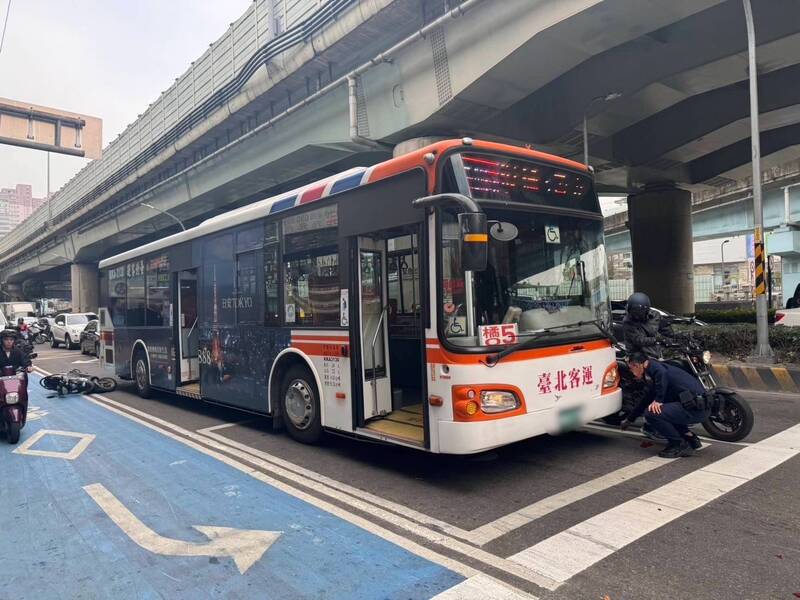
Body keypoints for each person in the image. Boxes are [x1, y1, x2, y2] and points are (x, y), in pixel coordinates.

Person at [622, 352, 708, 458]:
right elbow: (647, 399)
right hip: (698, 407)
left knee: (652, 413)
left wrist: (658, 400)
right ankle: (690, 438)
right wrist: (630, 419)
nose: (631, 372)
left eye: (631, 368)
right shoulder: (655, 371)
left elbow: (661, 374)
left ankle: (678, 444)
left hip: (696, 409)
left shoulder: (658, 371)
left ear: (637, 365)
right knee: (665, 410)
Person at [622, 292, 674, 359]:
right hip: (636, 358)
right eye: (633, 312)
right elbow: (638, 340)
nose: (636, 316)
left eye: (639, 314)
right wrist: (658, 339)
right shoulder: (628, 321)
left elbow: (666, 331)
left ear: (646, 311)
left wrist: (671, 339)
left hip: (655, 355)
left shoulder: (655, 316)